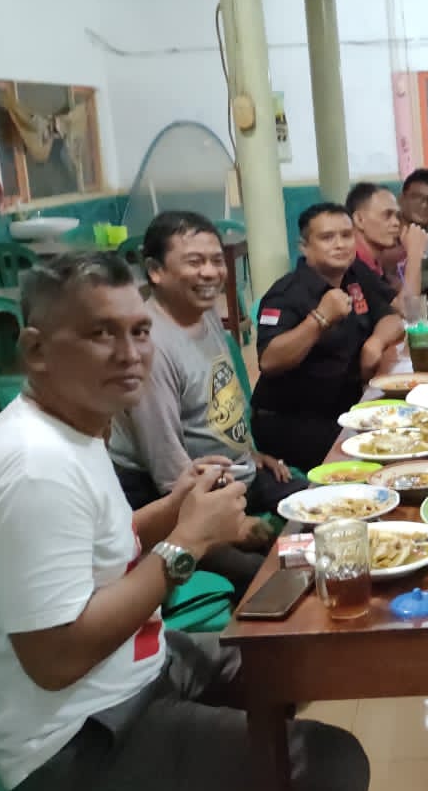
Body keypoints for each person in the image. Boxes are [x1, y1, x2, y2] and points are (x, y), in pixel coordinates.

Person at [0, 252, 399, 791]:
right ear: (35, 350)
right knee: (332, 769)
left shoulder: (68, 427)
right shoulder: (32, 468)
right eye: (101, 333)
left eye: (139, 331)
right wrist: (187, 543)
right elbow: (56, 657)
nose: (130, 353)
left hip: (117, 682)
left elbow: (96, 548)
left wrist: (172, 510)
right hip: (64, 748)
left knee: (276, 669)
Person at [108, 210, 304, 588]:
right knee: (273, 577)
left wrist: (249, 452)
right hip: (177, 502)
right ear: (155, 271)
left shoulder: (203, 314)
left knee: (329, 510)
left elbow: (219, 399)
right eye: (195, 262)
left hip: (235, 475)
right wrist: (233, 523)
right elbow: (170, 475)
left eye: (216, 261)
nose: (211, 273)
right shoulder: (149, 347)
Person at [252, 203, 406, 470]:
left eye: (346, 235)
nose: (340, 245)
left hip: (345, 409)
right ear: (304, 247)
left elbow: (392, 316)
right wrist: (320, 319)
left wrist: (375, 343)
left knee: (411, 428)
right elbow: (269, 360)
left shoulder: (354, 275)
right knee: (388, 454)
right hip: (292, 422)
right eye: (327, 238)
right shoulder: (286, 294)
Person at [347, 180, 427, 320]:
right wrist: (415, 254)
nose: (396, 223)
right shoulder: (353, 264)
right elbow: (409, 313)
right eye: (387, 215)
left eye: (397, 216)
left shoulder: (373, 264)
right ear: (359, 220)